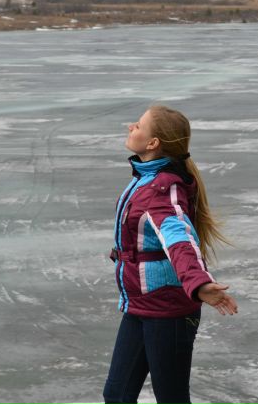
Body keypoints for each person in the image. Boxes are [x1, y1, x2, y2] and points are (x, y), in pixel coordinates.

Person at [103, 105, 238, 404]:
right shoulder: (147, 179)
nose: (130, 127)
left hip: (169, 309)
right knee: (116, 395)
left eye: (138, 126)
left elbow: (180, 239)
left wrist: (198, 283)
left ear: (153, 144)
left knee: (172, 399)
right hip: (140, 305)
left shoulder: (163, 189)